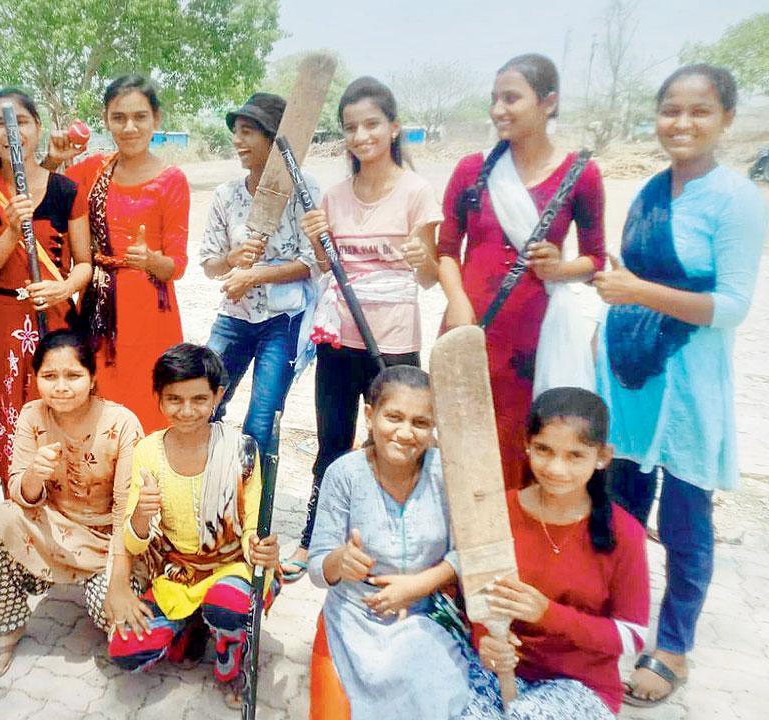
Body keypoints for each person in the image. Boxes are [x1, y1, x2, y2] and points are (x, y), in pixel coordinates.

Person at [593, 64, 766, 708]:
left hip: (691, 383)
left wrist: (638, 293)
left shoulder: (737, 201)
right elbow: (624, 276)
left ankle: (674, 647)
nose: (682, 124)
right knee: (623, 510)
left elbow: (731, 307)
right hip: (632, 375)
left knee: (687, 520)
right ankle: (621, 622)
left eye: (699, 111)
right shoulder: (648, 192)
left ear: (725, 118)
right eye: (670, 110)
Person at [291, 76, 443, 581]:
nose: (361, 136)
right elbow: (325, 269)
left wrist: (427, 260)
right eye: (351, 127)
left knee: (396, 444)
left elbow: (425, 276)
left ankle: (403, 543)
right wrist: (317, 241)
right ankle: (317, 539)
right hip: (340, 340)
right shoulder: (333, 196)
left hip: (395, 341)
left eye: (371, 124)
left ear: (394, 127)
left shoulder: (417, 193)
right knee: (332, 443)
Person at [437, 54, 606, 489]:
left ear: (549, 102)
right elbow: (447, 250)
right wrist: (456, 301)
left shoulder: (580, 175)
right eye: (494, 99)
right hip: (468, 326)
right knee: (461, 445)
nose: (498, 110)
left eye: (511, 98)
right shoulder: (471, 171)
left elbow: (596, 260)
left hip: (533, 339)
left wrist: (561, 266)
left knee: (520, 446)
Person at [107, 344, 280, 708]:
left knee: (229, 607)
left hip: (232, 567)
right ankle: (191, 626)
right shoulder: (148, 453)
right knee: (125, 651)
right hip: (177, 575)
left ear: (218, 396)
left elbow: (251, 529)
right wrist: (140, 517)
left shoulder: (242, 451)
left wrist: (259, 547)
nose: (187, 411)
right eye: (174, 399)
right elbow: (136, 545)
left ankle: (232, 666)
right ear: (158, 398)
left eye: (199, 399)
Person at [460, 387, 649, 719]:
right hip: (503, 674)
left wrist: (547, 613)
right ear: (526, 445)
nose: (556, 468)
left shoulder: (625, 533)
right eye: (544, 450)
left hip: (583, 686)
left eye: (575, 455)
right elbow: (479, 602)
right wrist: (486, 644)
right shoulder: (498, 512)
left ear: (603, 457)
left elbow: (632, 636)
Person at [0, 331, 144, 678]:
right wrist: (36, 473)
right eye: (49, 376)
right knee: (1, 521)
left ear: (93, 378)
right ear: (36, 378)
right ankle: (9, 625)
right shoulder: (32, 416)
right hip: (55, 530)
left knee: (120, 629)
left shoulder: (122, 423)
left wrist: (118, 583)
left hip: (107, 542)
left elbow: (126, 510)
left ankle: (131, 594)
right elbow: (21, 495)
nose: (61, 387)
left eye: (73, 376)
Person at [307, 366, 470, 719]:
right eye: (393, 417)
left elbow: (467, 553)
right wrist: (340, 560)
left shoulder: (447, 472)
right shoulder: (344, 475)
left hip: (426, 618)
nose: (406, 433)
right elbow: (317, 568)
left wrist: (418, 586)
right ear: (370, 416)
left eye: (421, 423)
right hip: (351, 619)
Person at [42, 75, 189, 432]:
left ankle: (144, 485)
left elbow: (177, 265)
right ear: (106, 119)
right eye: (118, 117)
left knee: (148, 403)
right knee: (99, 402)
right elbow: (42, 197)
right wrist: (52, 160)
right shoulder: (93, 170)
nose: (129, 127)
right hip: (98, 306)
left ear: (156, 119)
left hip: (150, 311)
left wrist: (151, 260)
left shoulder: (172, 181)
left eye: (140, 117)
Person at [0, 88, 93, 480]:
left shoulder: (66, 190)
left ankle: (63, 522)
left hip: (55, 321)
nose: (12, 131)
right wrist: (10, 231)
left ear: (37, 127)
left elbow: (84, 265)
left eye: (22, 121)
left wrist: (63, 289)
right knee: (11, 427)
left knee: (60, 415)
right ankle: (18, 517)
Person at [197, 92, 317, 464]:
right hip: (235, 317)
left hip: (282, 322)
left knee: (261, 424)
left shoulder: (304, 190)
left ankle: (255, 514)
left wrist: (257, 275)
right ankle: (206, 489)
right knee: (204, 401)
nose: (237, 140)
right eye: (236, 131)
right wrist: (232, 260)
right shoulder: (227, 195)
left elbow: (314, 262)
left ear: (273, 137)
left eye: (248, 131)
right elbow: (209, 263)